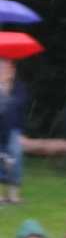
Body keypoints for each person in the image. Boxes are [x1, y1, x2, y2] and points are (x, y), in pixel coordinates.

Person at [0, 57, 28, 204]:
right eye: (2, 69)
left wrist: (22, 132)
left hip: (13, 129)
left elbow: (20, 108)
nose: (5, 71)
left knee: (15, 155)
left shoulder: (19, 87)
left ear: (13, 71)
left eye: (8, 68)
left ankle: (13, 195)